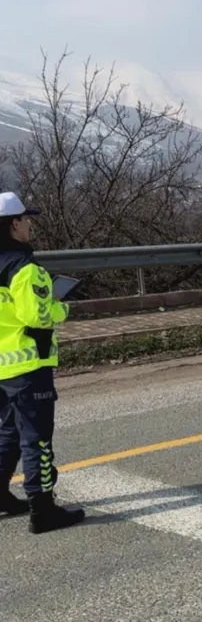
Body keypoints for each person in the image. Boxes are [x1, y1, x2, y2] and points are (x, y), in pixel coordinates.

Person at [0, 191, 86, 533]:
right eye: (26, 219)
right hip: (28, 366)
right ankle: (43, 508)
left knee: (6, 433)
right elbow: (37, 317)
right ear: (14, 224)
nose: (30, 224)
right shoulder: (25, 269)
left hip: (2, 367)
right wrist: (60, 307)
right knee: (36, 438)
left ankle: (1, 496)